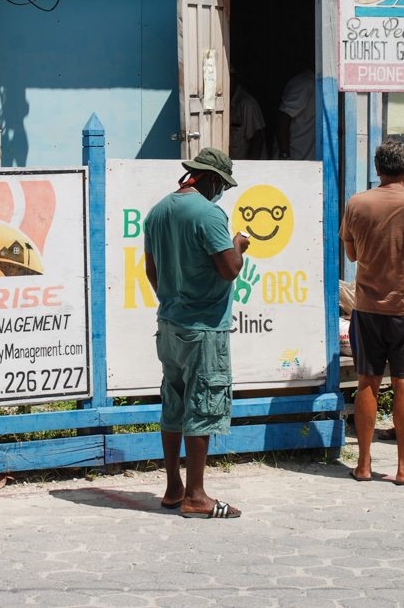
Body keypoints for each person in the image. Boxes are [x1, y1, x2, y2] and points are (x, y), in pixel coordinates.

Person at [144, 147, 249, 518]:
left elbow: (151, 271)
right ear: (214, 179)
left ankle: (174, 487)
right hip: (204, 329)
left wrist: (172, 299)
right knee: (203, 405)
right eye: (223, 184)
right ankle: (196, 496)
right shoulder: (209, 214)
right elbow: (229, 269)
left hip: (169, 325)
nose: (222, 191)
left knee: (174, 405)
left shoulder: (157, 211)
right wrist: (239, 245)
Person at [340, 141, 404, 485]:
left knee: (367, 381)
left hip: (367, 307)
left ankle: (363, 465)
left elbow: (351, 255)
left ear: (377, 168)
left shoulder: (357, 203)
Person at [277, 67, 316, 160]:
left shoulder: (323, 85)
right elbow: (283, 117)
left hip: (310, 161)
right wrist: (285, 156)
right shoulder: (305, 83)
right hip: (295, 159)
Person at [229, 71, 265, 160]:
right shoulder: (225, 102)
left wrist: (249, 166)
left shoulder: (247, 104)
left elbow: (257, 139)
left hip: (244, 166)